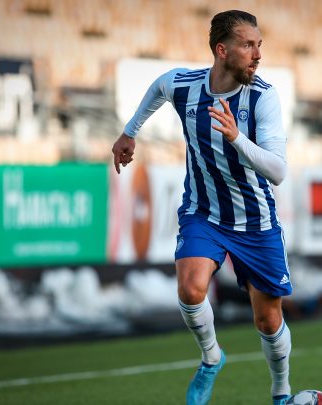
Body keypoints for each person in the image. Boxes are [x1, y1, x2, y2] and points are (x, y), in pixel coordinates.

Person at [111, 10, 292, 405]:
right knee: (192, 290)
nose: (257, 54)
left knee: (268, 319)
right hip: (203, 212)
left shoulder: (263, 97)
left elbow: (278, 171)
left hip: (255, 220)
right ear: (221, 50)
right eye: (248, 45)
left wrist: (237, 139)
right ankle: (212, 358)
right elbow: (159, 86)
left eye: (260, 44)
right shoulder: (187, 86)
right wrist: (129, 132)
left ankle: (281, 392)